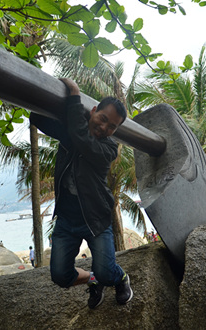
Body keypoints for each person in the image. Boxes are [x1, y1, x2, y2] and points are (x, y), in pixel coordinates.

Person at [30, 78, 133, 309]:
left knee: (107, 272)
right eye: (103, 119)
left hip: (96, 218)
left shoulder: (108, 149)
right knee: (60, 275)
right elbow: (37, 117)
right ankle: (93, 279)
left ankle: (120, 278)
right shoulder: (72, 131)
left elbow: (83, 140)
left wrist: (74, 95)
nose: (104, 128)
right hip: (67, 219)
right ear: (94, 111)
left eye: (112, 126)